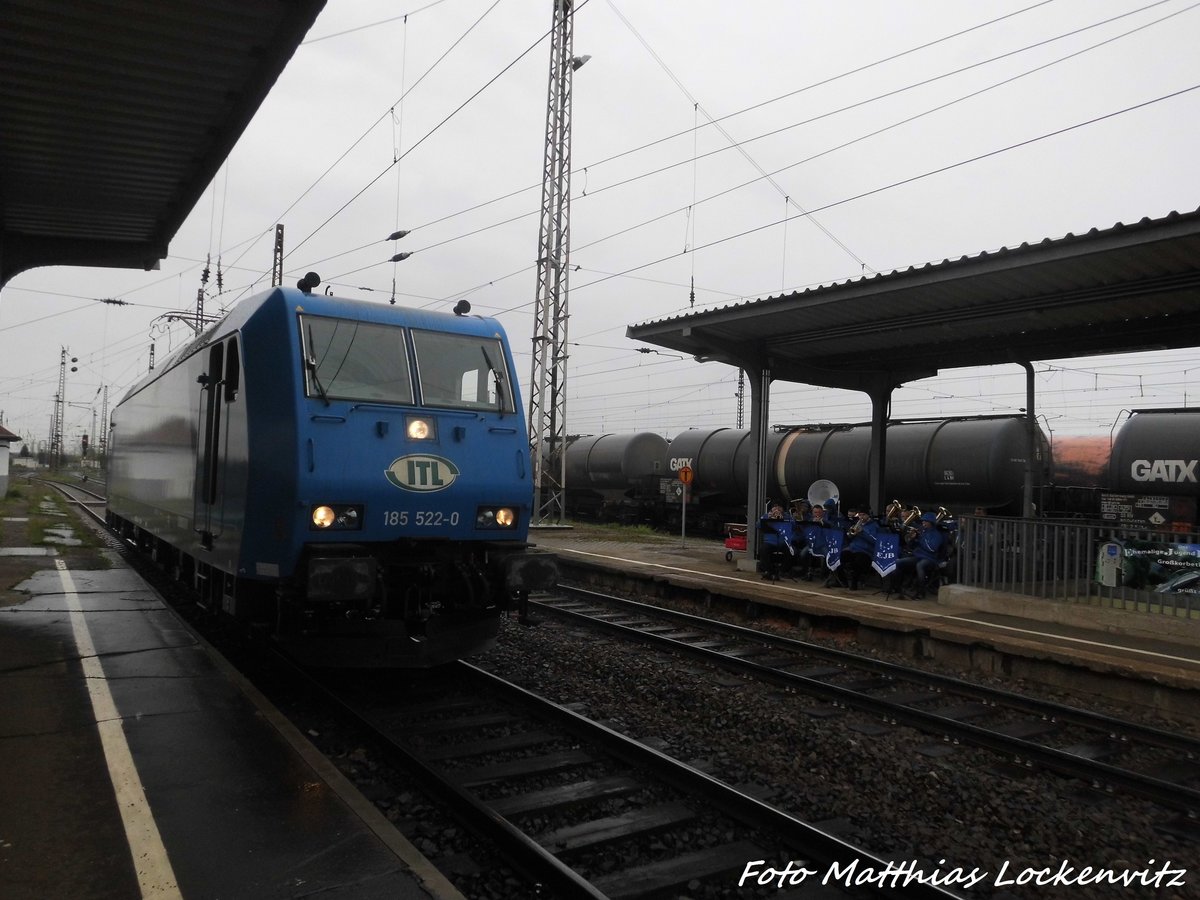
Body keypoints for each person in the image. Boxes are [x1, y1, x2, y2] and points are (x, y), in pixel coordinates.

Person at [889, 512, 945, 598]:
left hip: (930, 559)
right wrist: (912, 539)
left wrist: (920, 538)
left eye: (926, 521)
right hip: (918, 556)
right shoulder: (922, 532)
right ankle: (896, 587)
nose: (923, 523)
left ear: (931, 523)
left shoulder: (937, 535)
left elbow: (932, 549)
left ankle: (920, 592)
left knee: (920, 565)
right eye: (923, 521)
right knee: (898, 562)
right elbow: (912, 546)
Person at [841, 507, 879, 591]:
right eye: (860, 515)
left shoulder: (874, 526)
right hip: (853, 548)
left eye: (863, 515)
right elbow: (849, 537)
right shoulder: (857, 524)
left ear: (868, 516)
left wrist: (863, 532)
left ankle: (854, 583)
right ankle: (843, 581)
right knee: (841, 556)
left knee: (858, 561)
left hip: (865, 551)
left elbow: (875, 541)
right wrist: (850, 534)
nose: (861, 517)